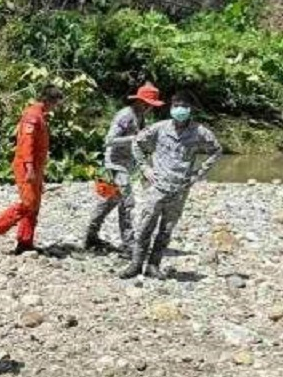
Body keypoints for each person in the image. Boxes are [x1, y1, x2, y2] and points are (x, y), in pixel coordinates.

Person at [120, 92, 222, 279]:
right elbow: (137, 143)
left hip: (179, 190)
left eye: (183, 106)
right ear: (171, 108)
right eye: (175, 106)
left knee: (165, 231)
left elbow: (216, 151)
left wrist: (198, 174)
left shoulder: (200, 132)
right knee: (144, 227)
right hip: (157, 187)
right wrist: (145, 168)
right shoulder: (159, 128)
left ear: (190, 109)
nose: (179, 110)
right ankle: (135, 265)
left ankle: (153, 266)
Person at [85, 83, 165, 252]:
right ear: (142, 102)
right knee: (127, 203)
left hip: (126, 166)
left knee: (107, 202)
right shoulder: (125, 116)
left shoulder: (140, 116)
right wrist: (134, 138)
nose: (151, 109)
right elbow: (109, 140)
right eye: (150, 105)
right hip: (114, 165)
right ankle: (128, 243)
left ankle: (90, 237)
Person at [0, 85, 64, 254]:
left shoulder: (40, 116)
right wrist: (29, 168)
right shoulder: (33, 116)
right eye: (56, 104)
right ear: (49, 101)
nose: (56, 108)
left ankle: (25, 242)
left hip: (35, 167)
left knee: (35, 204)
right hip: (26, 166)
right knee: (28, 202)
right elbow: (26, 145)